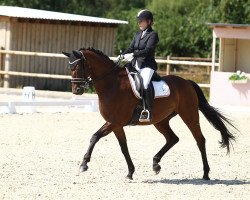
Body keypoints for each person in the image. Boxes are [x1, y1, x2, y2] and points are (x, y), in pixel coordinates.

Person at [121, 9, 159, 122]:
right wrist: (122, 55)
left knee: (145, 83)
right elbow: (131, 48)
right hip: (135, 64)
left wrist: (132, 54)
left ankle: (148, 110)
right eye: (138, 21)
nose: (139, 23)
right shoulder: (137, 34)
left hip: (147, 65)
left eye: (141, 21)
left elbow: (148, 50)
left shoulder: (153, 35)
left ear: (149, 21)